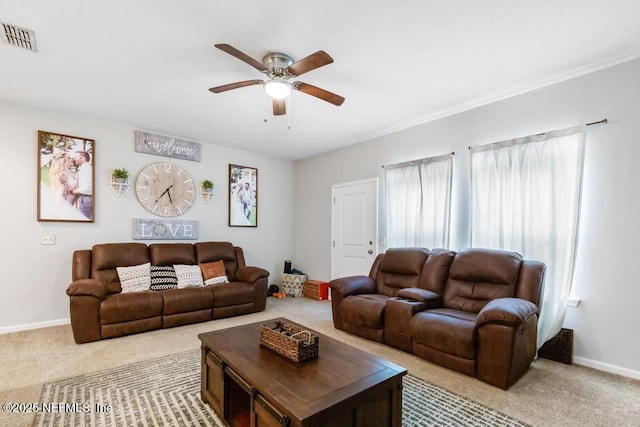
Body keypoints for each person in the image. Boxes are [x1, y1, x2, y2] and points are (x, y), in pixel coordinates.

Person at [70, 151, 93, 219]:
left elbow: (88, 188)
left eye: (76, 157)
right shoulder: (84, 168)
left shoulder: (86, 168)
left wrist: (73, 192)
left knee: (83, 219)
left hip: (85, 199)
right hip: (84, 198)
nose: (74, 159)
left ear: (82, 158)